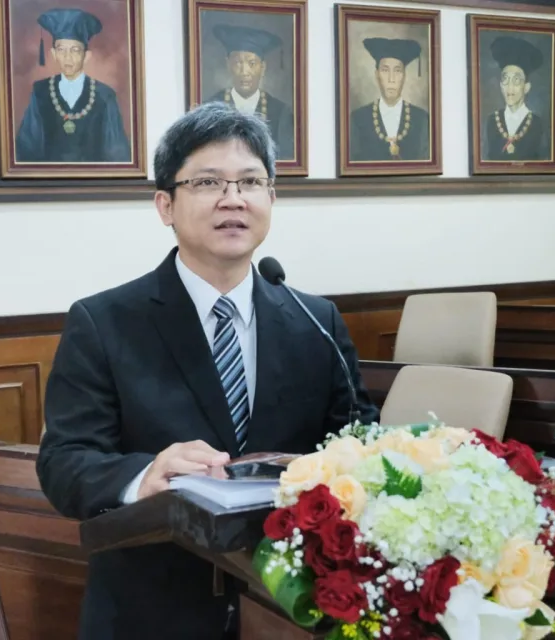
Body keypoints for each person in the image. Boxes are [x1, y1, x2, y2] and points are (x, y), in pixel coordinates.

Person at [36, 102, 378, 640]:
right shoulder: (104, 322)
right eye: (208, 182)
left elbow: (360, 444)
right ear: (165, 205)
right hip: (153, 611)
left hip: (290, 608)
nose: (233, 199)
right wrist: (144, 476)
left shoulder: (315, 320)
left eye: (250, 182)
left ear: (271, 199)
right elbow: (63, 461)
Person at [15, 8, 131, 163]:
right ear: (54, 54)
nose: (67, 57)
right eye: (61, 50)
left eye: (75, 50)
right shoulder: (40, 92)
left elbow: (116, 152)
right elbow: (27, 148)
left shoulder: (105, 96)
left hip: (94, 177)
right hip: (48, 177)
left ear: (86, 56)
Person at [205, 24, 295, 160]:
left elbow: (286, 158)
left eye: (252, 63)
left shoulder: (281, 112)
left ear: (262, 67)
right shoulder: (210, 108)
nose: (244, 72)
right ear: (228, 65)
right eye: (238, 63)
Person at [350, 37, 431, 162]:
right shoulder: (358, 119)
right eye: (385, 70)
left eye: (397, 71)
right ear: (377, 75)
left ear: (404, 76)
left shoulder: (422, 119)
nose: (391, 79)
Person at [482, 36, 550, 161]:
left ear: (526, 87)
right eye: (505, 79)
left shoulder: (538, 125)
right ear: (501, 85)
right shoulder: (491, 122)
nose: (510, 87)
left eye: (516, 80)